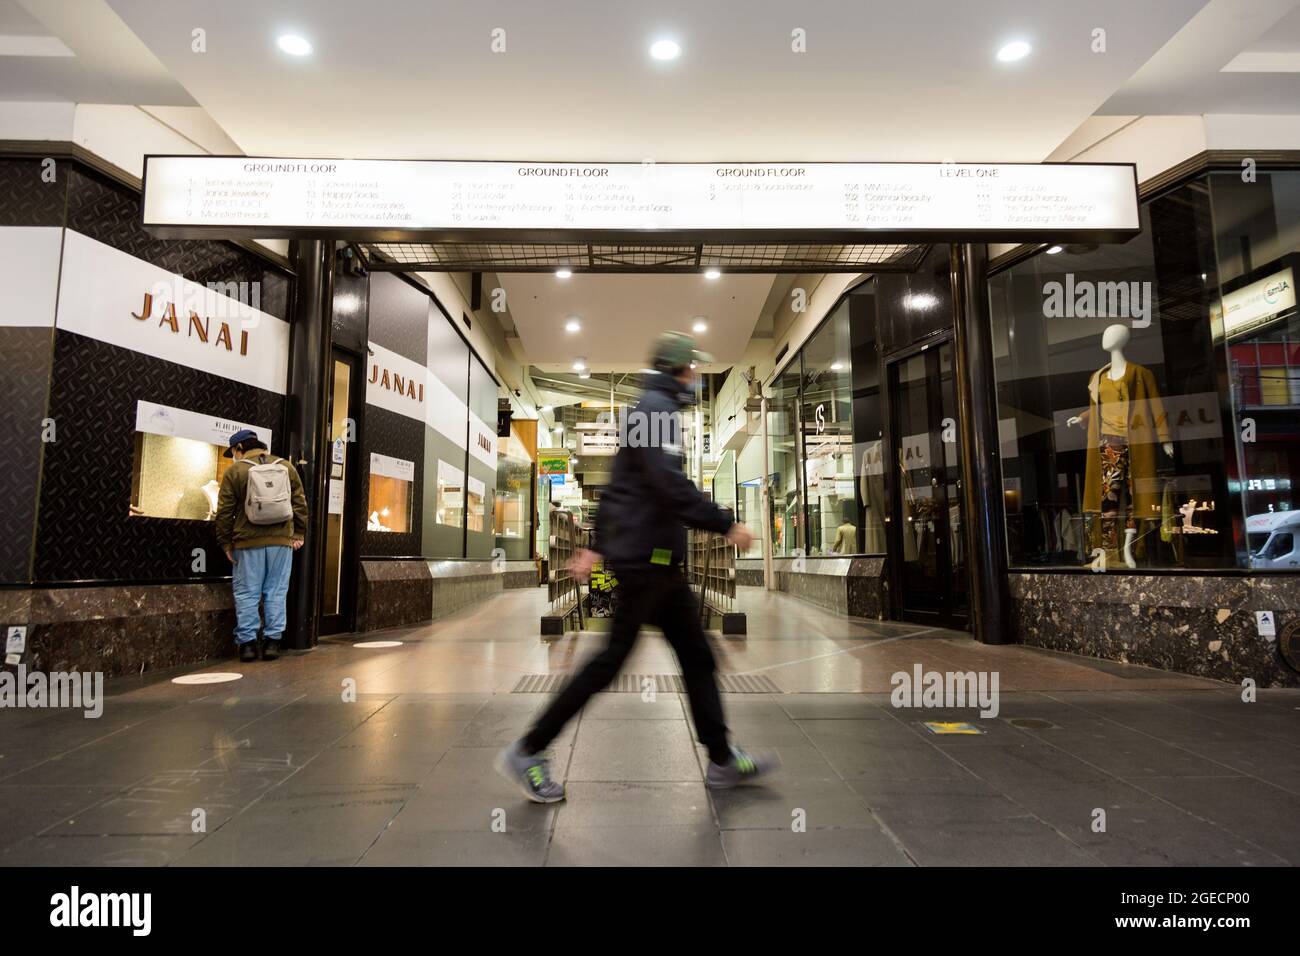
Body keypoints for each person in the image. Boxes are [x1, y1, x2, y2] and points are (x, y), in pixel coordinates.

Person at [497, 331, 775, 803]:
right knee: (610, 663)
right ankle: (529, 749)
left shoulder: (652, 410)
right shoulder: (655, 410)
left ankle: (722, 760)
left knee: (696, 656)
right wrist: (725, 523)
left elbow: (618, 489)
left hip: (657, 565)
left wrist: (597, 546)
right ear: (679, 369)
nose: (696, 378)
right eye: (693, 369)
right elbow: (667, 485)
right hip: (647, 565)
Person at [214, 429, 308, 663]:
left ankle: (247, 645)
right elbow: (300, 502)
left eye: (233, 452)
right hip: (281, 542)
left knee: (247, 592)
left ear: (239, 449)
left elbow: (225, 512)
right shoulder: (286, 467)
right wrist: (298, 533)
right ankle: (272, 643)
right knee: (276, 591)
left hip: (247, 542)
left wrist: (225, 542)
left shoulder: (235, 471)